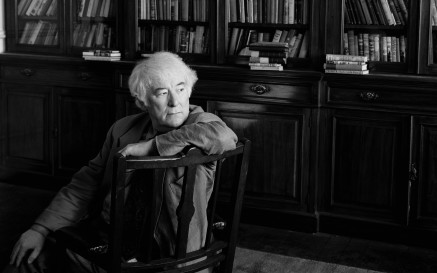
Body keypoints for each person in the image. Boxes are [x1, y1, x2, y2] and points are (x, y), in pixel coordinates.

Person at [4, 51, 238, 273]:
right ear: (143, 100)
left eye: (181, 88)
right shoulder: (123, 129)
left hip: (168, 254)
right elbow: (86, 183)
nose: (175, 102)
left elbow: (224, 137)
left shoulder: (204, 124)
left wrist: (152, 147)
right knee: (24, 257)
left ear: (189, 91)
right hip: (109, 237)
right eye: (162, 93)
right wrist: (41, 228)